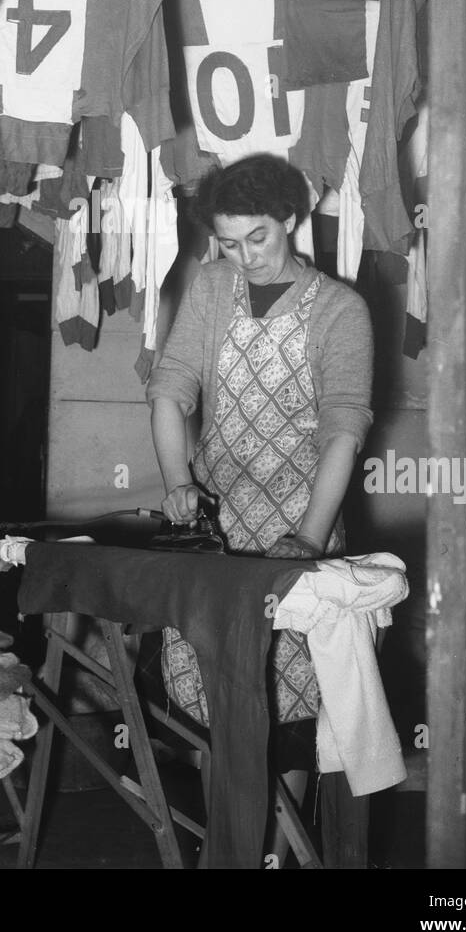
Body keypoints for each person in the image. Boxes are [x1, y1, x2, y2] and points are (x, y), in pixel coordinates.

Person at [147, 153, 374, 727]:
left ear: (290, 220)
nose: (245, 258)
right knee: (210, 702)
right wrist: (178, 481)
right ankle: (219, 822)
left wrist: (309, 539)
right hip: (216, 530)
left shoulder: (341, 311)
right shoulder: (211, 289)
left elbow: (342, 434)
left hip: (301, 527)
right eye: (228, 243)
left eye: (257, 238)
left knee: (289, 710)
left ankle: (284, 821)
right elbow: (169, 391)